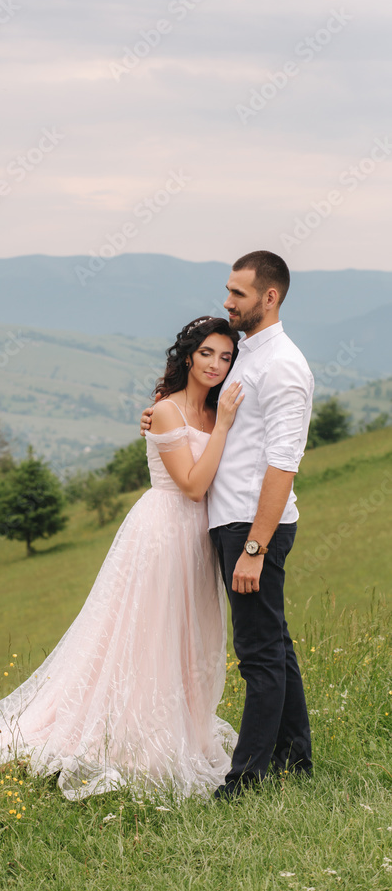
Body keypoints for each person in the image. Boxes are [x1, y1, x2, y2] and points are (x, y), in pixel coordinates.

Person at [0, 316, 243, 801]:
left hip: (200, 540)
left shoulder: (214, 408)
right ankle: (137, 738)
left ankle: (185, 728)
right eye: (207, 354)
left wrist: (222, 422)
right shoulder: (170, 412)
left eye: (225, 356)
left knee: (190, 640)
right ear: (187, 356)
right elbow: (193, 485)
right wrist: (223, 428)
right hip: (164, 533)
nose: (216, 365)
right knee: (149, 638)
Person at [141, 251, 314, 798]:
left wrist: (256, 546)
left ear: (270, 297)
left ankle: (245, 782)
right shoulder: (246, 354)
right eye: (227, 290)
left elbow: (283, 464)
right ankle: (294, 758)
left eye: (237, 293)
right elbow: (202, 404)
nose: (227, 301)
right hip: (230, 520)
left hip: (251, 525)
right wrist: (160, 420)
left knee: (258, 653)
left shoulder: (283, 365)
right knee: (276, 644)